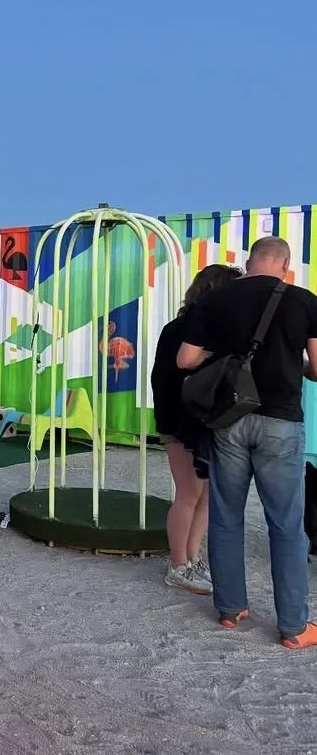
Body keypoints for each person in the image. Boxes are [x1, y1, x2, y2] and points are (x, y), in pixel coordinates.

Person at [178, 236, 317, 648]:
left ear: (249, 262)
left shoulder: (215, 300)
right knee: (286, 525)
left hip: (229, 420)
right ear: (285, 267)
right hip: (281, 422)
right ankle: (294, 627)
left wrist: (224, 361)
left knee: (226, 515)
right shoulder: (304, 300)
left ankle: (230, 609)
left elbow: (185, 360)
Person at [151, 263, 242, 594]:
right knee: (191, 493)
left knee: (203, 494)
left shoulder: (187, 327)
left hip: (192, 422)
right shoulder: (185, 330)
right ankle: (178, 564)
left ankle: (190, 559)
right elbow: (167, 380)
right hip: (183, 423)